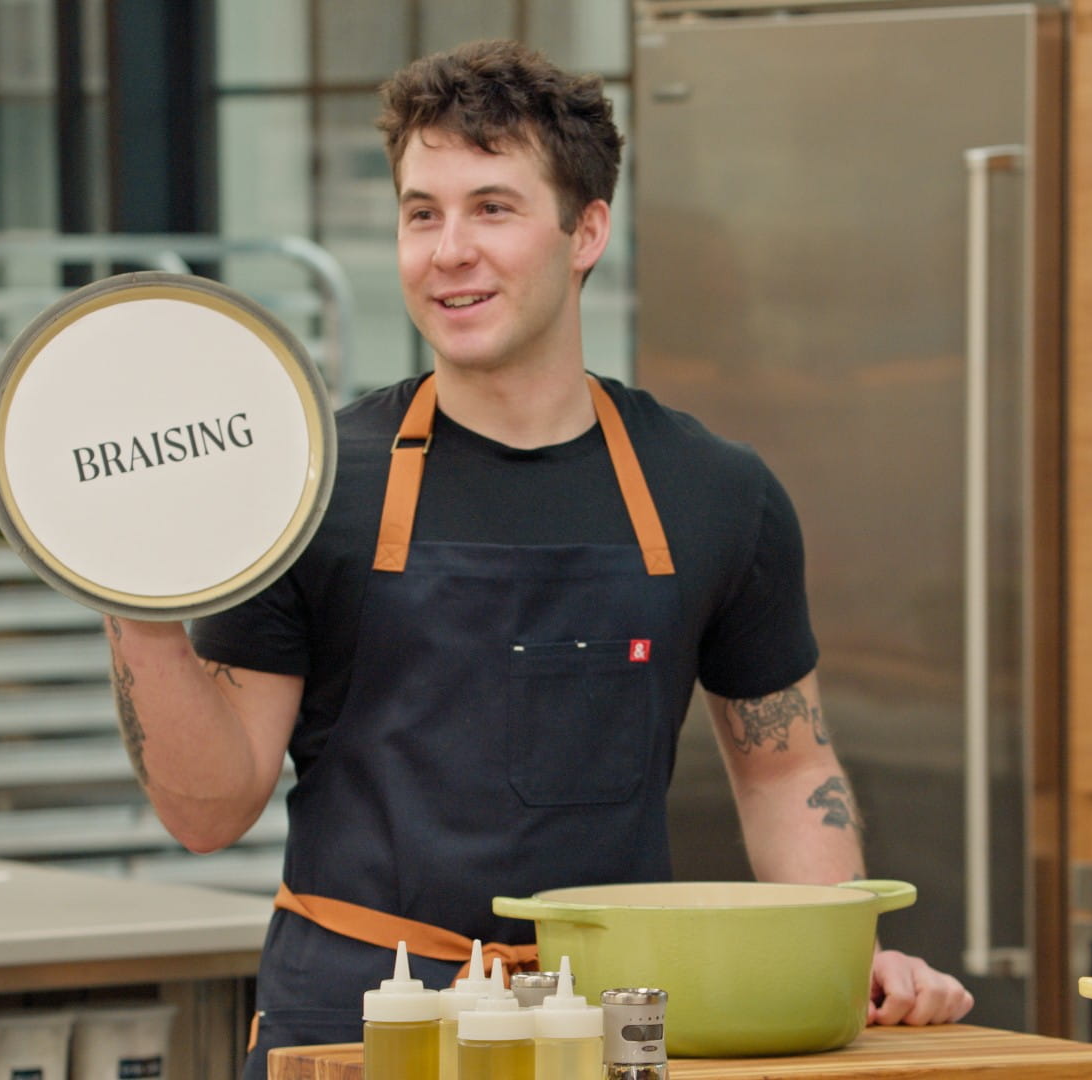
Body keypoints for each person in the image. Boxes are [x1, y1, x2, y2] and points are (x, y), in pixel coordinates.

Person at [100, 40, 972, 1079]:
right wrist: (129, 596)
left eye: (493, 208)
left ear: (585, 231)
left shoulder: (714, 492)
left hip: (606, 1029)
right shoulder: (312, 485)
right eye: (422, 212)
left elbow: (786, 768)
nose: (448, 249)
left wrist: (843, 956)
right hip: (359, 1025)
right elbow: (208, 810)